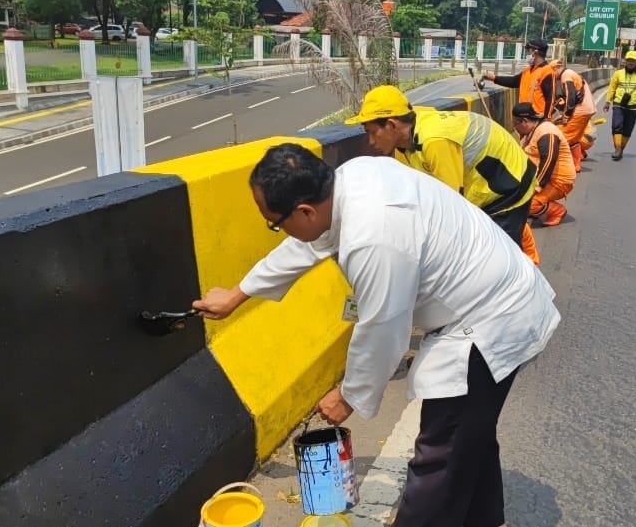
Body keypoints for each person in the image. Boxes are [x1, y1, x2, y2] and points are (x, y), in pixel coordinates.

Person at [192, 143, 561, 527]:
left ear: (304, 210)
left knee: (441, 453)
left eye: (275, 223)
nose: (280, 230)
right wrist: (238, 294)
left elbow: (384, 329)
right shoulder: (351, 180)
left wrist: (348, 394)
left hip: (491, 320)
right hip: (493, 293)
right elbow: (307, 243)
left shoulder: (374, 237)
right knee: (471, 433)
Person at [345, 84, 538, 259]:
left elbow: (452, 207)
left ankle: (525, 286)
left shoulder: (434, 141)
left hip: (510, 185)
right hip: (485, 183)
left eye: (371, 132)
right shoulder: (405, 138)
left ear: (392, 124)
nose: (370, 142)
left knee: (496, 257)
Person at [512, 102, 575, 231]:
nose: (515, 128)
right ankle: (540, 205)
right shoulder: (531, 131)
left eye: (515, 124)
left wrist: (536, 187)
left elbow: (548, 162)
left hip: (558, 181)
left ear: (524, 121)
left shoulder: (547, 132)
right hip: (542, 178)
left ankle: (556, 211)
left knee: (526, 205)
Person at [480, 38, 557, 119]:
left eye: (528, 50)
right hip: (524, 117)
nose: (527, 54)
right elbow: (513, 82)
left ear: (535, 52)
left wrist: (546, 119)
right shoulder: (527, 71)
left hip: (538, 117)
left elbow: (551, 98)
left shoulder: (547, 71)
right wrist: (494, 78)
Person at [549, 59, 598, 173]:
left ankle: (560, 165)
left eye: (552, 73)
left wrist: (566, 115)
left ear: (556, 69)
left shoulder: (566, 76)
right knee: (574, 138)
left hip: (580, 111)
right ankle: (576, 163)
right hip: (587, 109)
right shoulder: (571, 73)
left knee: (561, 135)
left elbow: (571, 97)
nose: (553, 77)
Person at [602, 50, 636, 161]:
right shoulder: (618, 74)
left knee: (628, 129)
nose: (630, 63)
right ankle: (618, 148)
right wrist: (607, 102)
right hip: (618, 104)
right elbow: (612, 88)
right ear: (625, 61)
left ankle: (621, 148)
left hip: (633, 106)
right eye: (628, 60)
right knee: (617, 125)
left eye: (633, 60)